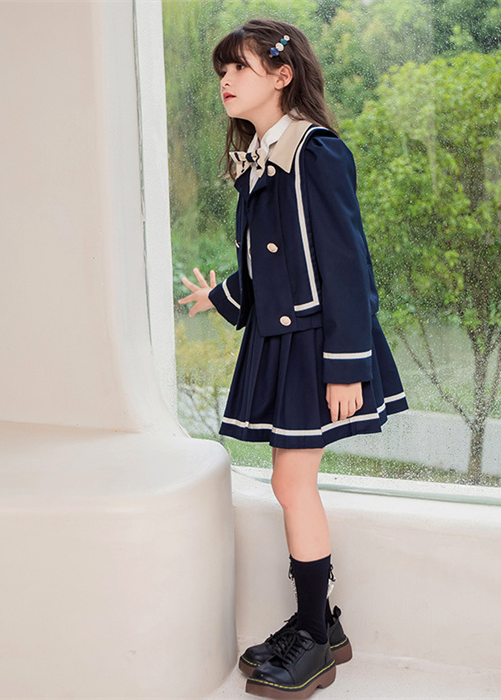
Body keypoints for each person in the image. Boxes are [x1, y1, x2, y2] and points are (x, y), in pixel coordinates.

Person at [178, 18, 408, 699]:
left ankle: (315, 636)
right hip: (283, 339)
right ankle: (320, 625)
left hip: (315, 344)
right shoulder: (261, 154)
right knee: (290, 483)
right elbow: (271, 258)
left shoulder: (314, 150)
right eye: (222, 70)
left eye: (240, 68)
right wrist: (221, 295)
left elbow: (346, 264)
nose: (226, 80)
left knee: (291, 485)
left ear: (282, 76)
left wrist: (348, 364)